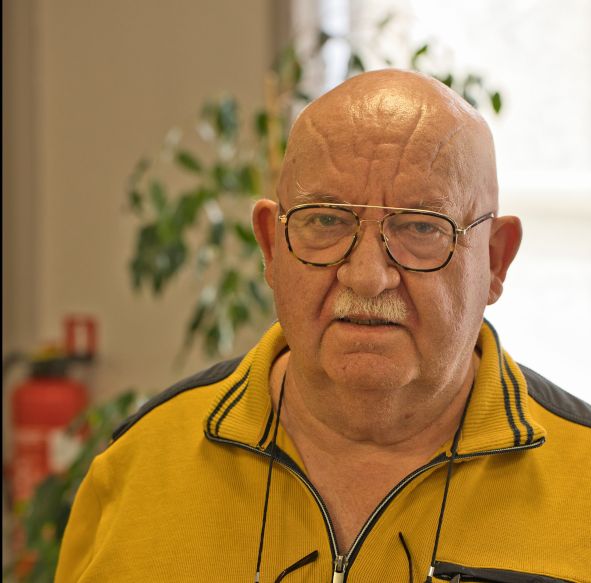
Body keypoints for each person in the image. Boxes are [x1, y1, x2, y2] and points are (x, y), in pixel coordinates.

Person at [56, 69, 591, 583]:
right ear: (270, 246)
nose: (367, 277)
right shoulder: (138, 465)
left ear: (495, 260)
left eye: (422, 228)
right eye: (326, 221)